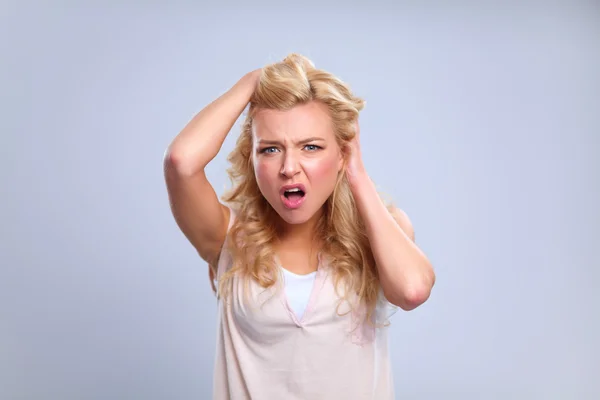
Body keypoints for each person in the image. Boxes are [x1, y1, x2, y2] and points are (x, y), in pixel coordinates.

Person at [163, 53, 435, 400]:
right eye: (271, 149)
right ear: (253, 157)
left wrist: (358, 175)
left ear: (342, 154)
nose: (289, 167)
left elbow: (412, 290)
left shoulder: (383, 230)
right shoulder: (227, 237)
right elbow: (181, 161)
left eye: (311, 147)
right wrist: (254, 81)